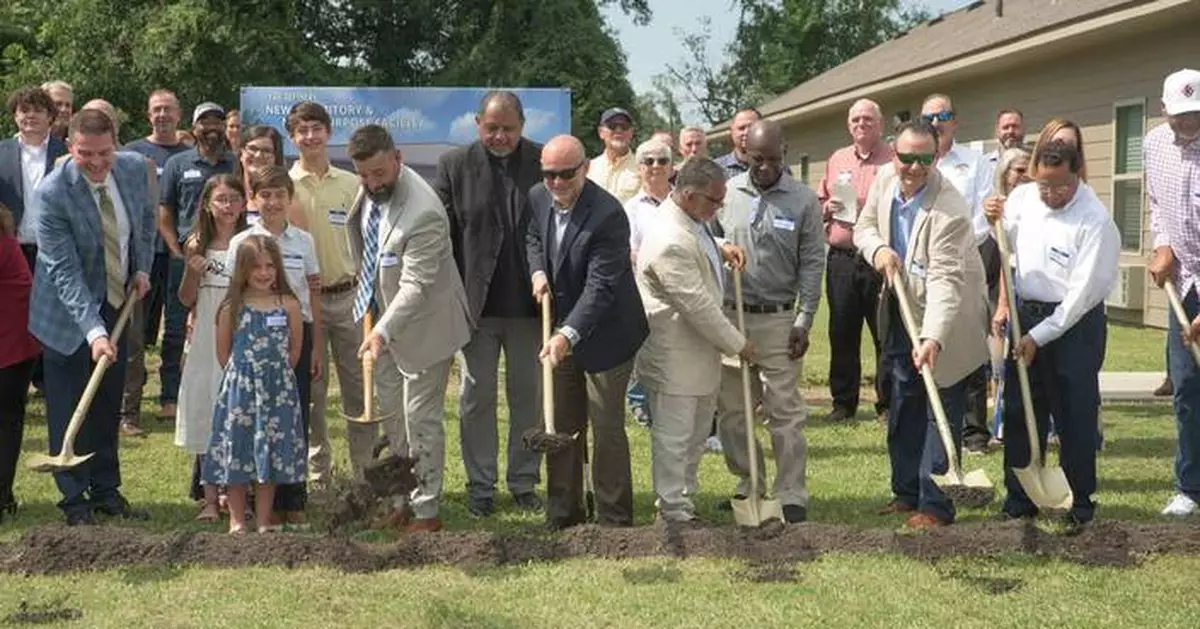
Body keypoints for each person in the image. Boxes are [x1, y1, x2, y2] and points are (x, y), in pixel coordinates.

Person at [854, 120, 989, 529]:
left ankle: (935, 506)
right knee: (904, 401)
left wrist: (933, 337)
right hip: (903, 307)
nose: (914, 167)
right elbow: (864, 227)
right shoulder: (884, 179)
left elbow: (946, 281)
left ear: (936, 157)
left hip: (948, 317)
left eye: (924, 158)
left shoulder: (950, 210)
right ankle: (906, 492)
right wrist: (878, 250)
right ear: (893, 153)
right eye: (906, 157)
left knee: (939, 407)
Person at [28, 109, 155, 525]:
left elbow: (145, 221)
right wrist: (94, 331)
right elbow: (64, 273)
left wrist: (142, 268)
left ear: (115, 143)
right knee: (70, 407)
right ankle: (74, 500)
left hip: (116, 297)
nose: (97, 163)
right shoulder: (52, 193)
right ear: (70, 146)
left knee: (106, 403)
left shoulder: (133, 169)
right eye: (86, 154)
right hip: (65, 314)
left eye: (104, 153)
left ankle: (105, 490)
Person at [987, 140, 1119, 531]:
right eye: (1043, 185)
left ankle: (1079, 503)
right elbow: (1005, 237)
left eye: (1060, 187)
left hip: (1074, 325)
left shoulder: (1095, 220)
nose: (1050, 194)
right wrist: (993, 217)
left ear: (1077, 174)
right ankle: (1019, 500)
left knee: (1074, 413)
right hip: (1026, 313)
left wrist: (1039, 337)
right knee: (1020, 409)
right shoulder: (1025, 197)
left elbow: (1080, 297)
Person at [348, 124, 472, 533]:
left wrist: (382, 332)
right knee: (394, 418)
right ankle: (401, 498)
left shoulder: (425, 212)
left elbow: (416, 286)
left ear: (398, 158)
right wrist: (374, 320)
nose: (371, 184)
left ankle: (426, 512)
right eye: (363, 175)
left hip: (424, 327)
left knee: (420, 418)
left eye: (379, 174)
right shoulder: (369, 191)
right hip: (380, 323)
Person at [526, 134, 649, 530]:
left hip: (609, 334)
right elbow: (533, 236)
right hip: (561, 328)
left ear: (585, 168)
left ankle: (614, 519)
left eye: (566, 174)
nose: (557, 182)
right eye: (549, 174)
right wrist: (538, 272)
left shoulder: (608, 214)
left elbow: (601, 287)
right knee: (562, 423)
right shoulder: (538, 197)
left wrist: (567, 335)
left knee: (606, 426)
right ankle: (564, 513)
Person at [434, 91, 545, 517]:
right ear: (478, 123)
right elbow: (442, 236)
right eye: (492, 128)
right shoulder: (454, 165)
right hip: (475, 308)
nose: (500, 136)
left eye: (509, 129)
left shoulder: (542, 162)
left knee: (528, 397)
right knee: (476, 398)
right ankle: (481, 485)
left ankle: (524, 481)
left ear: (522, 127)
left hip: (530, 308)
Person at [712, 120, 824, 524]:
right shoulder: (726, 193)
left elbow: (813, 262)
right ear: (744, 153)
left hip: (778, 319)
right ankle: (751, 483)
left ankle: (791, 492)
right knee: (733, 412)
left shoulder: (803, 200)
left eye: (773, 159)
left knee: (784, 412)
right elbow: (705, 237)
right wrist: (722, 245)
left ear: (784, 153)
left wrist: (804, 320)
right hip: (732, 315)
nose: (764, 167)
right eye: (757, 159)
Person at [635, 156, 751, 523]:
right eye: (714, 201)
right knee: (675, 436)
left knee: (696, 434)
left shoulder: (689, 219)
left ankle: (684, 500)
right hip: (675, 356)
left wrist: (720, 245)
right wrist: (739, 344)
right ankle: (671, 508)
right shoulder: (668, 240)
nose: (719, 207)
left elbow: (697, 238)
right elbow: (697, 305)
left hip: (698, 357)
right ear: (688, 195)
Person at [226, 166, 323, 529]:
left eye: (280, 194)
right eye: (265, 195)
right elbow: (231, 298)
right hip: (252, 342)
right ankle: (255, 504)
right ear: (253, 199)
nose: (273, 202)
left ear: (290, 198)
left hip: (296, 337)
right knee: (254, 423)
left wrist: (316, 347)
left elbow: (313, 294)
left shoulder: (304, 241)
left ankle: (292, 500)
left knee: (292, 420)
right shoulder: (242, 242)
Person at [286, 101, 373, 482]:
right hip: (306, 303)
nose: (310, 136)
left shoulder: (352, 183)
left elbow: (369, 239)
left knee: (360, 388)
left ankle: (365, 472)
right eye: (302, 130)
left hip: (350, 297)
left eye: (316, 128)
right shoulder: (284, 187)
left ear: (329, 132)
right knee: (313, 391)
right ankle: (318, 474)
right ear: (292, 137)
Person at [203, 234, 307, 534]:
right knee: (237, 449)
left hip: (277, 391)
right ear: (242, 270)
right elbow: (223, 353)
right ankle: (237, 520)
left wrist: (274, 375)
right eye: (256, 267)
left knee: (270, 453)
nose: (264, 273)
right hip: (240, 392)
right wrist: (245, 377)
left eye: (270, 266)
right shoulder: (231, 308)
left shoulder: (289, 304)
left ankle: (263, 519)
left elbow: (295, 350)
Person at [158, 102, 238, 422]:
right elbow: (165, 211)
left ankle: (224, 387)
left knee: (224, 320)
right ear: (194, 128)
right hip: (187, 254)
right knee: (176, 326)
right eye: (205, 122)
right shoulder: (178, 163)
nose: (212, 127)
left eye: (218, 121)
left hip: (227, 254)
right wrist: (176, 251)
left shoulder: (235, 163)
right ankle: (169, 395)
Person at [817, 98, 894, 423]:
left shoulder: (893, 159)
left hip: (878, 257)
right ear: (849, 125)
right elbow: (820, 200)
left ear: (880, 124)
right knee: (842, 331)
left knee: (884, 332)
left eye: (868, 119)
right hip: (842, 259)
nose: (861, 124)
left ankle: (887, 404)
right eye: (856, 120)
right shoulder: (837, 159)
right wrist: (827, 208)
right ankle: (843, 404)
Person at [1145, 68, 1200, 517]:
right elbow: (1157, 205)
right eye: (1180, 114)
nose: (1188, 122)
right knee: (1186, 389)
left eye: (1196, 114)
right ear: (1164, 110)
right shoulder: (1153, 144)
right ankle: (1190, 487)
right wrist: (1163, 245)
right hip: (1183, 286)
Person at [176, 174, 248, 520]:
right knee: (207, 408)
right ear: (207, 204)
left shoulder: (250, 242)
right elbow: (185, 298)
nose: (228, 206)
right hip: (206, 334)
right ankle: (208, 498)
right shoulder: (196, 244)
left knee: (241, 410)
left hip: (242, 332)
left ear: (244, 203)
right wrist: (193, 272)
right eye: (220, 199)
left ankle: (237, 496)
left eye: (234, 198)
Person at [124, 89, 190, 368]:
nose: (163, 114)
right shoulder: (131, 152)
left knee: (176, 326)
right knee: (134, 329)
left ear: (179, 114)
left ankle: (172, 386)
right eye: (157, 109)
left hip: (178, 253)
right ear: (148, 115)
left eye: (168, 109)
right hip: (141, 254)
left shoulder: (190, 155)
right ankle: (132, 389)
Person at [0, 204, 39, 524]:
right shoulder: (8, 243)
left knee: (6, 423)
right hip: (15, 347)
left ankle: (2, 496)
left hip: (10, 347)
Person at [587, 108, 641, 203]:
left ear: (631, 133)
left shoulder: (642, 167)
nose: (618, 130)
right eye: (612, 126)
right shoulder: (589, 168)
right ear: (601, 132)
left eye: (624, 126)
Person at [715, 109, 762, 178]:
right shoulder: (716, 169)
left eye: (752, 127)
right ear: (732, 131)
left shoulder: (774, 166)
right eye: (741, 128)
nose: (746, 132)